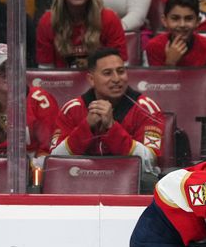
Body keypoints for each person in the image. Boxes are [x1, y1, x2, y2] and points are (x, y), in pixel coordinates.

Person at [49, 47, 164, 191]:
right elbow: (54, 160)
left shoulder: (146, 109)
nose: (116, 79)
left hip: (129, 185)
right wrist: (86, 127)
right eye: (107, 73)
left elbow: (149, 161)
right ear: (91, 79)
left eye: (121, 71)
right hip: (80, 184)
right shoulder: (72, 109)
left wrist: (112, 127)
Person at [144, 0, 206, 93]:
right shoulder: (154, 46)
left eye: (188, 19)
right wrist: (170, 63)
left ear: (197, 21)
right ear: (165, 21)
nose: (182, 24)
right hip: (167, 102)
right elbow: (158, 90)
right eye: (175, 18)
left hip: (199, 100)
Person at [36, 0, 128, 69]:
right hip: (62, 83)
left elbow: (121, 68)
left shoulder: (110, 19)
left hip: (102, 83)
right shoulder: (47, 21)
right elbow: (45, 71)